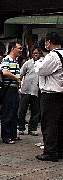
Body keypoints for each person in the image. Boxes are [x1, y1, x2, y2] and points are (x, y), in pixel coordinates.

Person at [35, 32, 63, 162]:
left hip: (51, 94)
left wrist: (37, 63)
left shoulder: (53, 56)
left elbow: (41, 70)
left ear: (49, 42)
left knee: (49, 123)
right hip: (60, 92)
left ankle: (50, 151)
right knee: (60, 123)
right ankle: (60, 150)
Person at [0, 41, 22, 144]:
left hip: (14, 89)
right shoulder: (6, 59)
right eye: (19, 48)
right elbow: (5, 72)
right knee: (8, 112)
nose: (21, 50)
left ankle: (13, 135)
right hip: (8, 89)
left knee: (14, 112)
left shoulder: (15, 61)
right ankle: (6, 136)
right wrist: (16, 78)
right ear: (13, 48)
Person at [17, 48, 42, 136]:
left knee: (35, 111)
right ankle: (21, 127)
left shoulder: (42, 64)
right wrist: (19, 85)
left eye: (37, 53)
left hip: (36, 90)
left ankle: (32, 129)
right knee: (22, 110)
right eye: (34, 53)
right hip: (26, 90)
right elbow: (20, 74)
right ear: (31, 54)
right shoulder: (27, 63)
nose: (36, 54)